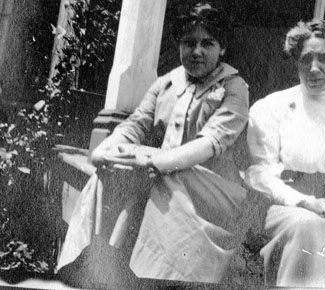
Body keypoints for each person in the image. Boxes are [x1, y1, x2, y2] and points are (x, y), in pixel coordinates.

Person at [57, 1, 249, 283]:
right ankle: (94, 261)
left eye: (207, 43)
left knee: (161, 176)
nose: (196, 51)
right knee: (110, 171)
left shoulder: (233, 87)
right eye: (188, 42)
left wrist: (151, 160)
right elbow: (135, 125)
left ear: (223, 49)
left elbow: (209, 143)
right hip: (160, 178)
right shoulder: (166, 84)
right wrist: (105, 152)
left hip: (213, 191)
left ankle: (154, 276)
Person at [245, 19, 325, 288]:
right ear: (296, 62)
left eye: (324, 58)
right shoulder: (271, 107)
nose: (314, 68)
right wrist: (307, 202)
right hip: (282, 206)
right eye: (305, 59)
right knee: (308, 226)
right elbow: (260, 174)